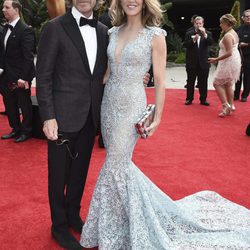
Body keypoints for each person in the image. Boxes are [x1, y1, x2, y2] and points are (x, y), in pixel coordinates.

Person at [80, 1, 250, 249]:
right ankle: (120, 224)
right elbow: (106, 73)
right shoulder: (112, 32)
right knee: (117, 165)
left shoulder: (155, 35)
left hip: (131, 105)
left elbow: (159, 81)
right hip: (109, 104)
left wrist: (158, 116)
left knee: (115, 163)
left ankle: (117, 228)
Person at [36, 0, 109, 249]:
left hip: (89, 116)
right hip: (61, 116)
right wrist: (48, 116)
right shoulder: (54, 28)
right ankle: (58, 226)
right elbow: (43, 74)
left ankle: (73, 216)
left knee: (79, 173)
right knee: (58, 177)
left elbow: (102, 74)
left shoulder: (102, 30)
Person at [0, 0, 35, 143]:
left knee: (24, 103)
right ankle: (15, 128)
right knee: (9, 103)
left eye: (7, 7)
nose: (3, 10)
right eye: (3, 7)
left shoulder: (25, 30)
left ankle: (26, 131)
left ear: (16, 10)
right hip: (5, 75)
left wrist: (23, 78)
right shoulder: (5, 29)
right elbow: (2, 52)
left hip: (20, 76)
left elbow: (28, 57)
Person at [208, 14, 241, 117]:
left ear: (226, 23)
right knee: (228, 84)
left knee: (216, 83)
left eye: (221, 23)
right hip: (234, 60)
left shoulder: (227, 36)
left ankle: (225, 106)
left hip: (228, 61)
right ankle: (231, 105)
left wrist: (216, 59)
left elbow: (229, 52)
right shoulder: (233, 33)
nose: (220, 25)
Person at [183, 16, 213, 106]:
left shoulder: (208, 33)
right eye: (197, 23)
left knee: (203, 82)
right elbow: (185, 45)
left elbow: (210, 42)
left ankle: (203, 99)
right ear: (194, 24)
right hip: (192, 62)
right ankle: (189, 99)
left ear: (203, 24)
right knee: (190, 82)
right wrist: (193, 40)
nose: (198, 25)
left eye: (200, 23)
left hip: (204, 63)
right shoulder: (189, 33)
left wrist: (205, 35)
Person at [234, 9, 250, 102]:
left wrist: (247, 44)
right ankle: (236, 95)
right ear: (243, 18)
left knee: (247, 77)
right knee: (237, 77)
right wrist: (239, 44)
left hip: (249, 56)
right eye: (247, 16)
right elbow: (233, 41)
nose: (248, 18)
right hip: (238, 56)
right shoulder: (238, 29)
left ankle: (245, 95)